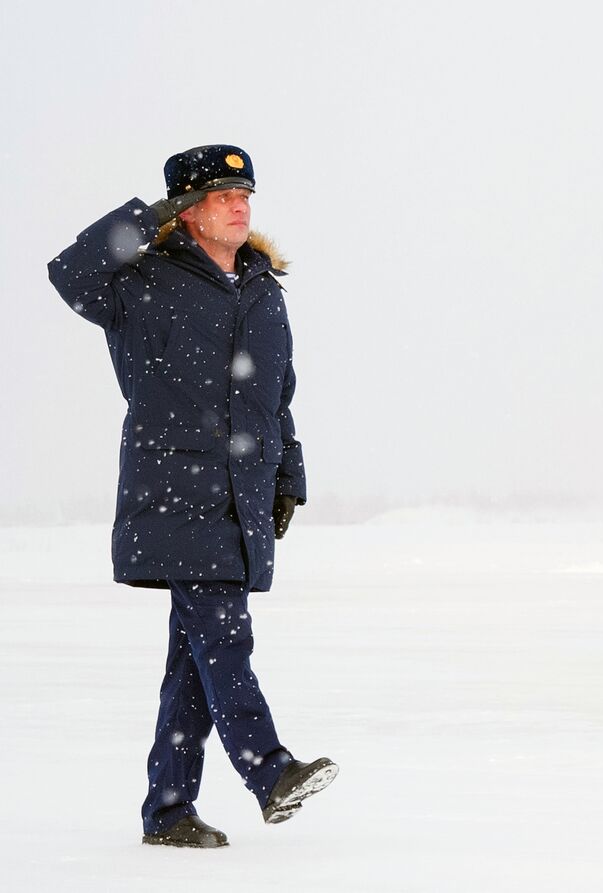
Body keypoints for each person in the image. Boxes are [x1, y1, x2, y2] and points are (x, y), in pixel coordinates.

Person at [47, 145, 337, 848]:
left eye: (247, 193)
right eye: (223, 194)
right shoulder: (141, 282)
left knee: (193, 656)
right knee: (224, 635)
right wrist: (147, 220)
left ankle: (169, 809)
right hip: (176, 490)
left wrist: (288, 474)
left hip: (242, 492)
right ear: (186, 208)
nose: (241, 204)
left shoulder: (265, 289)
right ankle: (268, 770)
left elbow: (278, 396)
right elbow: (68, 271)